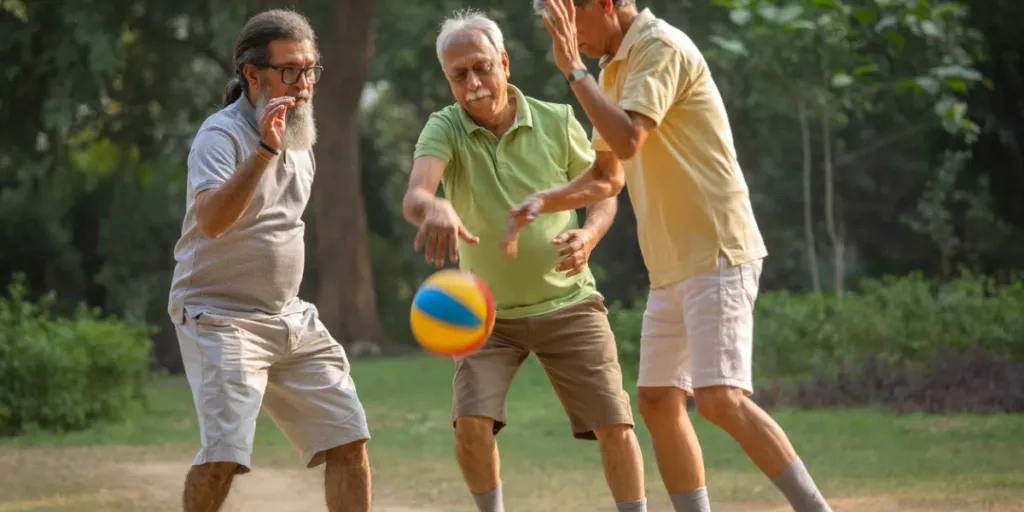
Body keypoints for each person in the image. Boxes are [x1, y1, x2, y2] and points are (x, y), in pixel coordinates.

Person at [507, 1, 833, 511]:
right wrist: (545, 200)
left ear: (605, 5)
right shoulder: (611, 69)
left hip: (716, 248)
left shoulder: (659, 46)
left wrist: (572, 69)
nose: (559, 31)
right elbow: (608, 175)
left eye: (567, 16)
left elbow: (630, 138)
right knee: (658, 403)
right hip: (672, 264)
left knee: (720, 400)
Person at [401, 9, 647, 512]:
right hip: (485, 315)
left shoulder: (557, 120)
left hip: (570, 304)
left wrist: (590, 232)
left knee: (615, 424)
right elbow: (416, 196)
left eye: (480, 67)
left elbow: (606, 187)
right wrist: (436, 207)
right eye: (458, 75)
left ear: (505, 64)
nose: (472, 83)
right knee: (471, 425)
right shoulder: (444, 127)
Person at [166, 9, 372, 512]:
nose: (303, 85)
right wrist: (261, 153)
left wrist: (276, 145)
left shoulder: (301, 140)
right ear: (252, 74)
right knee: (223, 458)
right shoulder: (222, 136)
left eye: (310, 70)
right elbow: (212, 220)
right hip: (220, 317)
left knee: (349, 441)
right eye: (290, 71)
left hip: (288, 317)